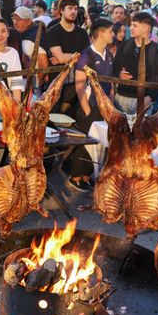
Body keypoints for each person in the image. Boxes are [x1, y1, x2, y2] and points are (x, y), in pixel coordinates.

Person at [68, 18, 115, 191]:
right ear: (100, 33)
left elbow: (110, 82)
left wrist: (111, 104)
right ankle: (77, 175)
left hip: (105, 106)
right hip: (90, 104)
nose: (113, 34)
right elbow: (80, 85)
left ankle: (89, 174)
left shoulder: (109, 54)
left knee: (98, 141)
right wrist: (86, 109)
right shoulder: (87, 55)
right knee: (85, 141)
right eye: (110, 31)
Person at [111, 12, 158, 115]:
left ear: (146, 28)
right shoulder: (125, 45)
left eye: (135, 25)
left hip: (143, 101)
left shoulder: (157, 51)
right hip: (121, 98)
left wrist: (150, 98)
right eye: (131, 25)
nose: (131, 28)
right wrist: (119, 74)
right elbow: (115, 66)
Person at [47, 0, 90, 117]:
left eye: (76, 9)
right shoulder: (53, 32)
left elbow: (87, 58)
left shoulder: (82, 33)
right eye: (70, 8)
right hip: (57, 80)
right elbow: (60, 57)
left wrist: (65, 58)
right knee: (53, 115)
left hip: (77, 81)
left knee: (71, 117)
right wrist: (77, 57)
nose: (73, 12)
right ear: (61, 10)